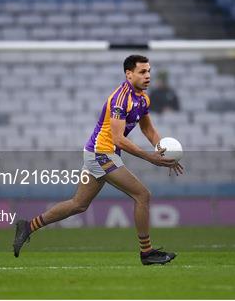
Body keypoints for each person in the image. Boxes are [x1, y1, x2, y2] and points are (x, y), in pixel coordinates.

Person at [13, 55, 184, 265]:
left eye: (149, 71)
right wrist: (150, 157)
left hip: (100, 153)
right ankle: (146, 253)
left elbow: (148, 128)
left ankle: (28, 226)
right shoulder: (121, 99)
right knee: (142, 195)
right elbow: (118, 139)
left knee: (79, 205)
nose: (148, 75)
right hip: (101, 154)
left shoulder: (142, 98)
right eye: (142, 72)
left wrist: (164, 152)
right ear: (128, 74)